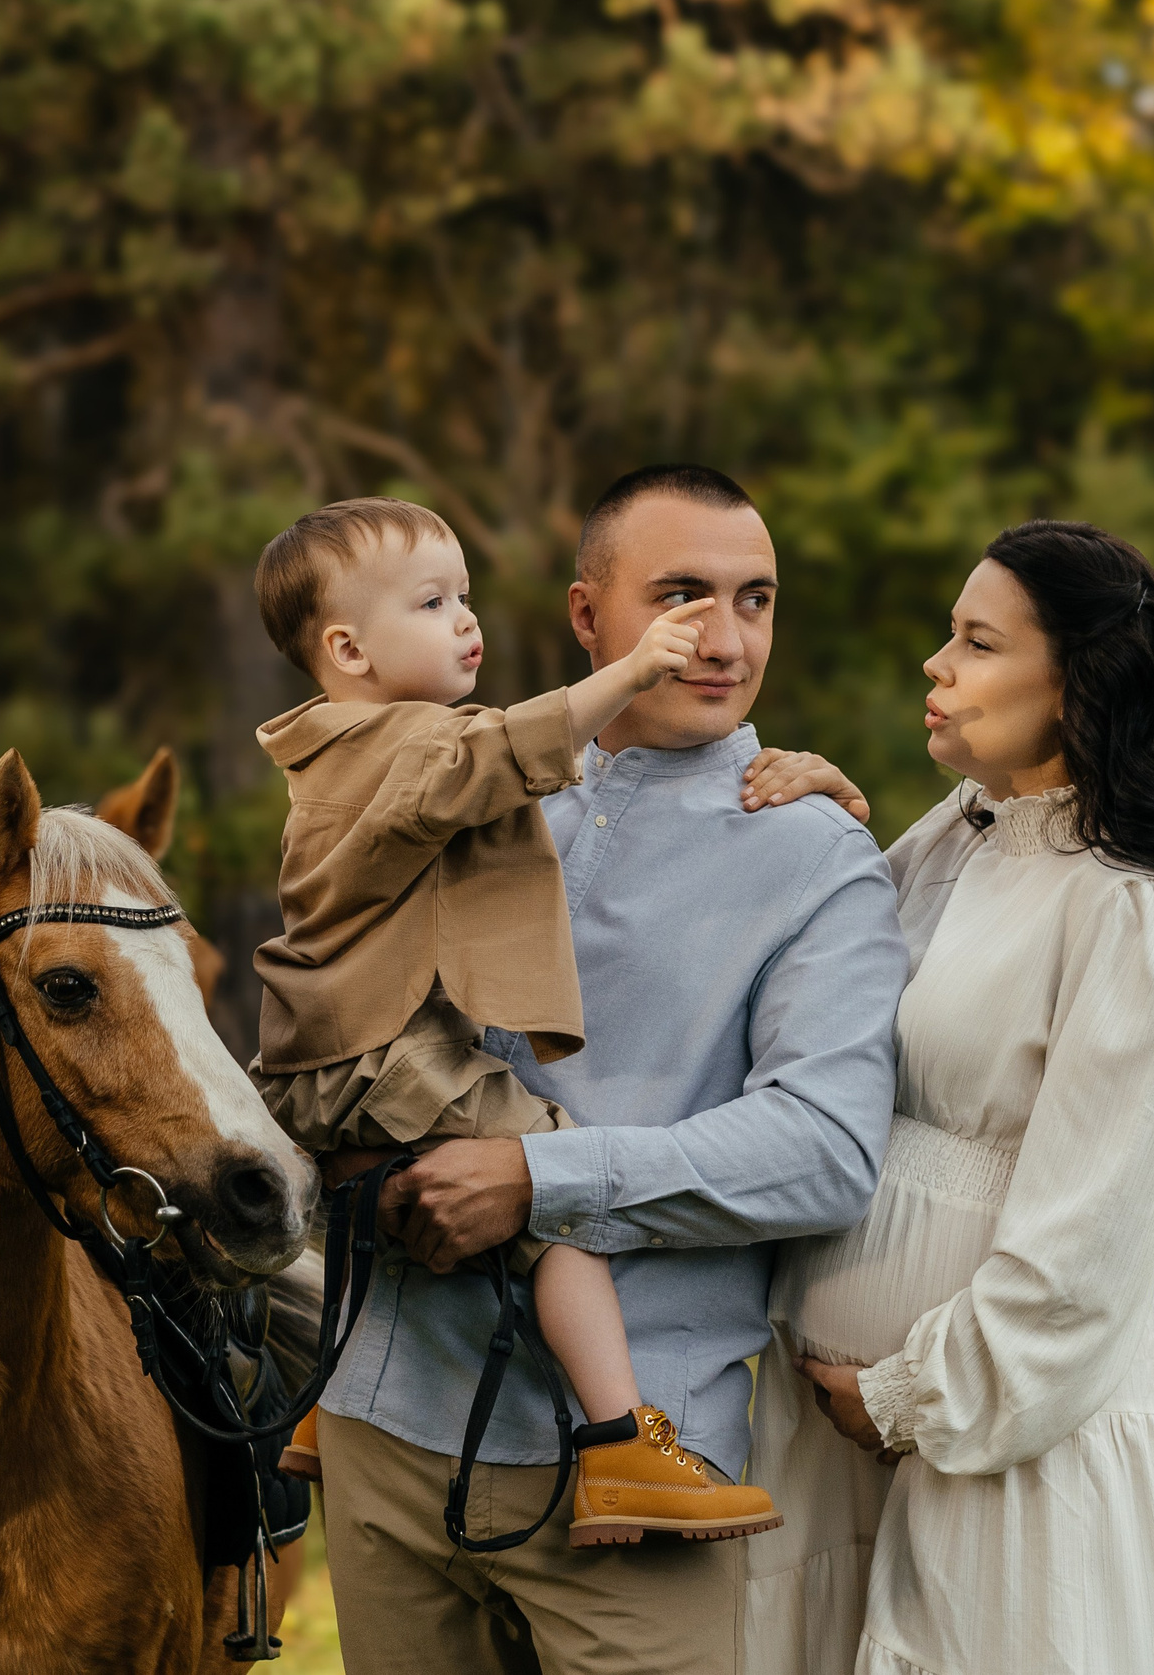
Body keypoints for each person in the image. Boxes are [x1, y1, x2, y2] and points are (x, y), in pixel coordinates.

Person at [309, 467, 909, 1675]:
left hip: (633, 1476)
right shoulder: (470, 773)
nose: (726, 638)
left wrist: (541, 1178)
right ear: (590, 617)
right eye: (683, 594)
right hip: (381, 1427)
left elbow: (827, 1149)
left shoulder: (811, 855)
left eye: (756, 599)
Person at [744, 520, 1154, 1675]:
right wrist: (827, 833)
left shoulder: (1122, 908)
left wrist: (909, 1395)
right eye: (948, 635)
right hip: (833, 1444)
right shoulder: (957, 837)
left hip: (1007, 1440)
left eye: (977, 642)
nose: (937, 665)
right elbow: (819, 996)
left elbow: (1089, 1235)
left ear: (1077, 683)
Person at [248, 493, 803, 1544]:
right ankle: (618, 1442)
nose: (467, 620)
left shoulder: (340, 745)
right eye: (430, 601)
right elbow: (503, 754)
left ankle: (329, 1400)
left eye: (462, 594)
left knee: (405, 1199)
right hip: (377, 1052)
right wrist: (632, 674)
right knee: (548, 1180)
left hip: (324, 1048)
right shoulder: (400, 750)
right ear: (348, 647)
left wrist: (797, 778)